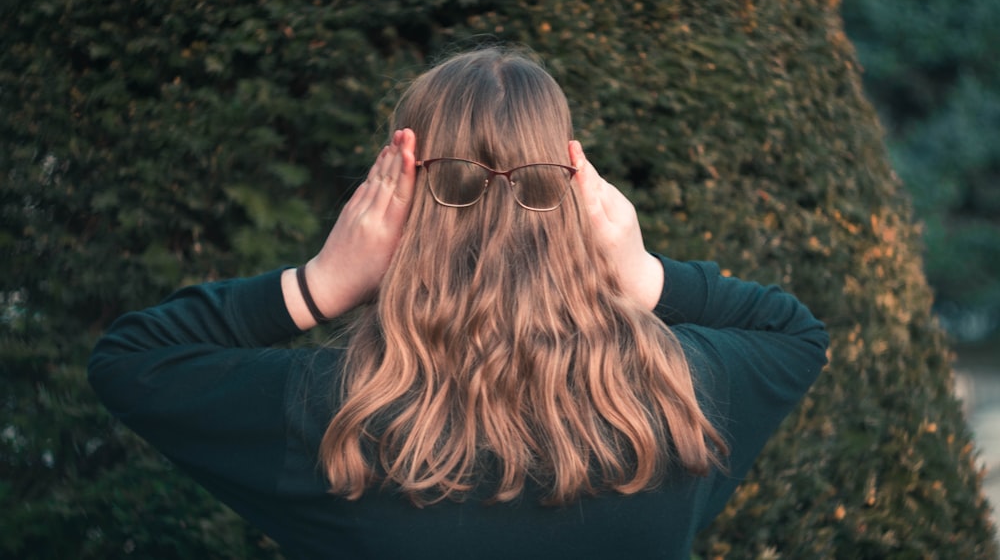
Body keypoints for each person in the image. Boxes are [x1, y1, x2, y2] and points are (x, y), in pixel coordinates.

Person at [88, 47, 829, 559]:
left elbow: (130, 361)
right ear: (570, 196)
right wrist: (643, 275)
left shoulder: (334, 418)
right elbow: (795, 331)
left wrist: (323, 281)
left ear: (403, 201)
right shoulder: (677, 400)